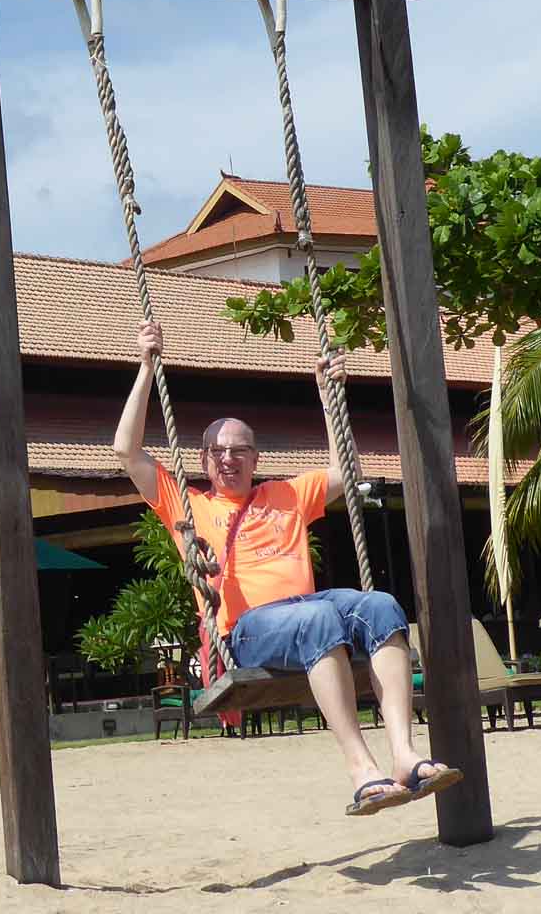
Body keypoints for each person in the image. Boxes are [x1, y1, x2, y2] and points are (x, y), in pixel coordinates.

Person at [113, 319, 461, 816]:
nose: (228, 459)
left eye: (239, 450)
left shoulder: (287, 494)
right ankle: (363, 771)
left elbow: (347, 472)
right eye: (217, 451)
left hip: (308, 608)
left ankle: (404, 755)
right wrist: (146, 367)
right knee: (318, 621)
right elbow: (126, 451)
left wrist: (327, 398)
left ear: (256, 457)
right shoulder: (186, 504)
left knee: (381, 606)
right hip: (251, 630)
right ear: (204, 460)